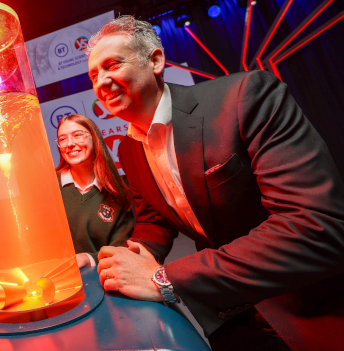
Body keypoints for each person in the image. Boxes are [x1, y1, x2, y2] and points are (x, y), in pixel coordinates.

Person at [87, 16, 344, 351]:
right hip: (227, 313)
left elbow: (317, 227)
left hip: (306, 307)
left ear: (155, 61)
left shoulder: (244, 97)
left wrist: (164, 279)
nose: (101, 81)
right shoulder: (129, 148)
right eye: (93, 74)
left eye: (112, 64)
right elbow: (155, 217)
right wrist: (129, 256)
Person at [55, 114, 134, 268]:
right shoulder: (48, 186)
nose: (69, 144)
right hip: (56, 281)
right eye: (63, 139)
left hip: (105, 281)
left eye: (77, 135)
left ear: (94, 138)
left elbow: (122, 249)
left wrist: (88, 258)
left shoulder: (117, 192)